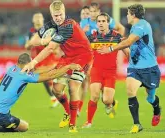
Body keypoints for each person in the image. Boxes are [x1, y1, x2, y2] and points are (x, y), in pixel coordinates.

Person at [22, 1, 93, 133]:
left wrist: (33, 63)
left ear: (64, 13)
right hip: (67, 57)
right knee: (56, 90)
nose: (58, 18)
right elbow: (33, 40)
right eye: (55, 16)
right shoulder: (52, 24)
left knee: (73, 87)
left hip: (83, 57)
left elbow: (50, 49)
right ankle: (68, 112)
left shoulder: (68, 25)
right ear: (52, 15)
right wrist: (43, 40)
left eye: (60, 15)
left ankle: (72, 124)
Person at [0, 53, 81, 132]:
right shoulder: (24, 76)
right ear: (26, 64)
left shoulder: (13, 68)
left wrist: (55, 67)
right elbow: (49, 76)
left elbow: (36, 70)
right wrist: (68, 67)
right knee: (24, 127)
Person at [99, 4, 161, 133]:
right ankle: (137, 124)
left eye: (128, 13)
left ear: (133, 15)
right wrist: (122, 43)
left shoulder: (142, 25)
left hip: (149, 68)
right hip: (135, 68)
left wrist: (111, 48)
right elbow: (132, 43)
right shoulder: (135, 26)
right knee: (130, 91)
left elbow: (130, 42)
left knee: (150, 98)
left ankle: (156, 109)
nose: (126, 16)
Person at [82, 13, 129, 128]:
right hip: (96, 70)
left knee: (107, 99)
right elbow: (84, 53)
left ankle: (111, 103)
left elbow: (127, 52)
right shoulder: (91, 37)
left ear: (108, 23)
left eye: (103, 21)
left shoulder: (117, 36)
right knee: (94, 96)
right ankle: (88, 122)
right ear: (96, 23)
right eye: (99, 21)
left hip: (110, 72)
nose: (101, 23)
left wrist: (134, 63)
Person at [26, 12, 59, 108]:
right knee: (43, 78)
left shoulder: (48, 30)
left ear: (43, 19)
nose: (37, 19)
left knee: (48, 76)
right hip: (38, 58)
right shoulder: (31, 32)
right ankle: (54, 97)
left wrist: (54, 48)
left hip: (48, 56)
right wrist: (31, 43)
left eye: (39, 17)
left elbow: (55, 41)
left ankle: (56, 95)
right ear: (33, 20)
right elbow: (27, 46)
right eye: (36, 17)